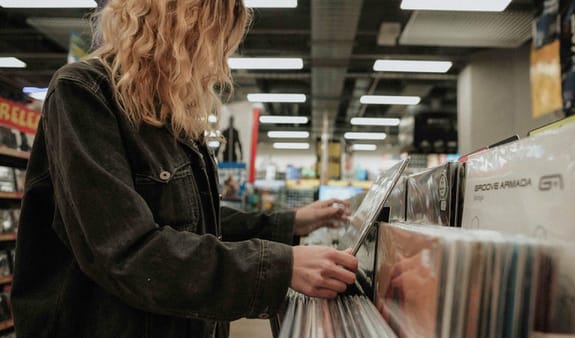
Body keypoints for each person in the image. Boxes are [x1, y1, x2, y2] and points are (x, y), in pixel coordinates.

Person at [10, 1, 358, 337]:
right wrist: (281, 267)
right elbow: (125, 250)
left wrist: (291, 222)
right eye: (214, 39)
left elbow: (196, 222)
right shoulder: (84, 93)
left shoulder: (169, 114)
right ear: (179, 27)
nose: (221, 59)